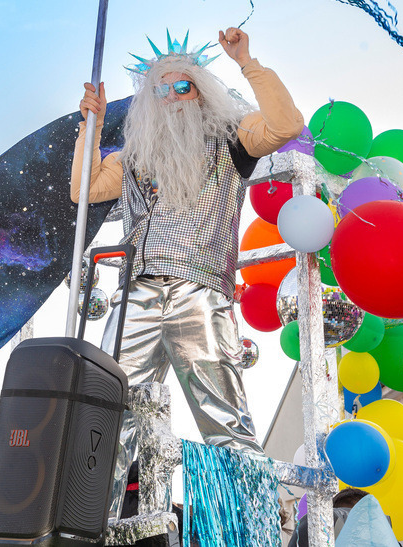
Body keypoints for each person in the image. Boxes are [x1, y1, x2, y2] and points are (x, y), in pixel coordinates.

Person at [71, 26, 304, 513]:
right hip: (134, 294)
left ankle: (251, 532)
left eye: (184, 86)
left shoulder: (230, 138)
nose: (174, 96)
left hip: (199, 293)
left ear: (202, 91)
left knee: (225, 424)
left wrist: (247, 62)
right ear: (149, 99)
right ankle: (93, 526)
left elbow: (284, 127)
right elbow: (85, 189)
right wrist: (88, 129)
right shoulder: (133, 156)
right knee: (107, 417)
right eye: (163, 88)